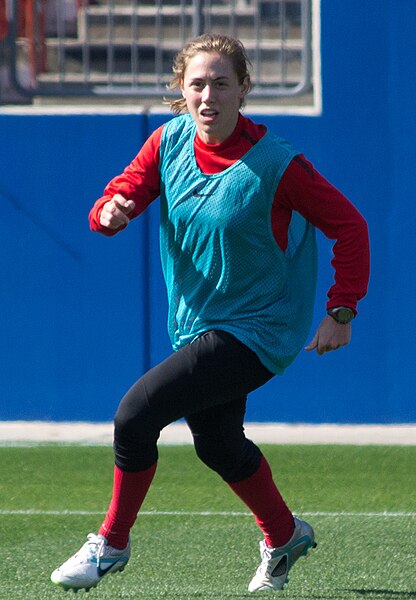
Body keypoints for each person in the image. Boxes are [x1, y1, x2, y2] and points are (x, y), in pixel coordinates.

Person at [51, 33, 370, 594]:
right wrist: (111, 212)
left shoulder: (277, 164)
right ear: (181, 89)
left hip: (262, 326)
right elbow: (116, 196)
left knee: (135, 414)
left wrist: (341, 311)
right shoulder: (168, 142)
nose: (208, 95)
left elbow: (350, 225)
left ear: (244, 89)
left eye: (221, 83)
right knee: (218, 441)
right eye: (196, 83)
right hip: (199, 323)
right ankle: (283, 533)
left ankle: (112, 543)